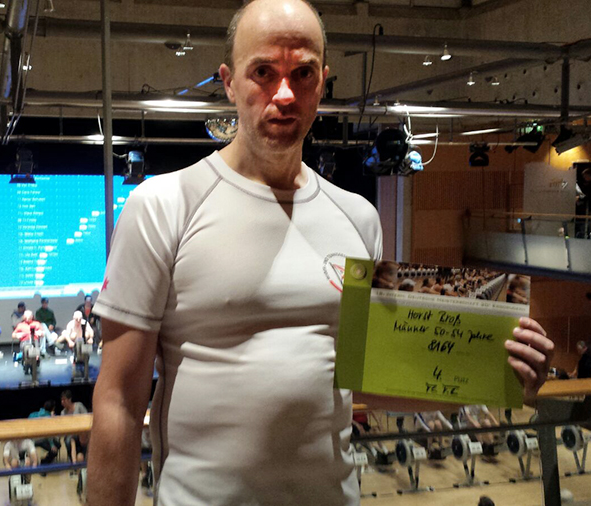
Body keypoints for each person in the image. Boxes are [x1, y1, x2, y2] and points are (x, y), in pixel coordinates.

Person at [86, 1, 554, 504]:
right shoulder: (163, 205)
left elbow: (367, 381)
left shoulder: (358, 217)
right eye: (263, 72)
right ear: (229, 82)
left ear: (322, 82)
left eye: (303, 73)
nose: (284, 93)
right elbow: (120, 401)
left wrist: (495, 374)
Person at [29, 400, 60, 465]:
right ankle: (44, 463)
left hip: (30, 440)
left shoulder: (32, 414)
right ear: (53, 408)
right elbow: (48, 432)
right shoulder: (49, 418)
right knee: (57, 446)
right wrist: (52, 445)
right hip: (40, 440)